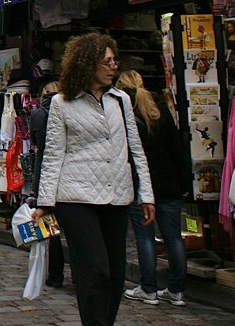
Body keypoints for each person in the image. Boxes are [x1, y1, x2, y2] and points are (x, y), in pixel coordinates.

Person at [34, 32, 155, 326]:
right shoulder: (62, 104)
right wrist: (44, 203)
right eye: (107, 61)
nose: (114, 66)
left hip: (117, 194)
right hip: (75, 197)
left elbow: (136, 150)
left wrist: (147, 194)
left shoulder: (121, 101)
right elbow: (53, 156)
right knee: (95, 268)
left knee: (114, 273)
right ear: (89, 65)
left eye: (115, 60)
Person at [114, 70, 188, 307]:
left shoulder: (124, 114)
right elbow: (176, 149)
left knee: (145, 238)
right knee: (173, 238)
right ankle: (176, 290)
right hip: (167, 181)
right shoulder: (159, 111)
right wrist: (184, 182)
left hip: (140, 184)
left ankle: (149, 288)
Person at [28, 80, 65, 288]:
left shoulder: (39, 114)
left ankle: (55, 274)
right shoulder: (70, 109)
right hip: (68, 175)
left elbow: (36, 144)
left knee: (52, 229)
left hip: (45, 174)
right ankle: (79, 274)